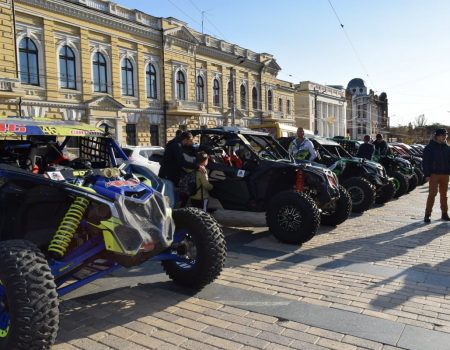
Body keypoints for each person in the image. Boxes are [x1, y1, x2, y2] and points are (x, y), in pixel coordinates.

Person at [422, 128, 450, 223]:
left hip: (445, 175)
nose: (444, 137)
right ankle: (427, 215)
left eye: (445, 135)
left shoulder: (448, 148)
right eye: (442, 135)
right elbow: (425, 162)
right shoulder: (429, 147)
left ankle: (445, 214)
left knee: (444, 195)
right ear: (437, 136)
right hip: (434, 174)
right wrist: (427, 174)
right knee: (432, 194)